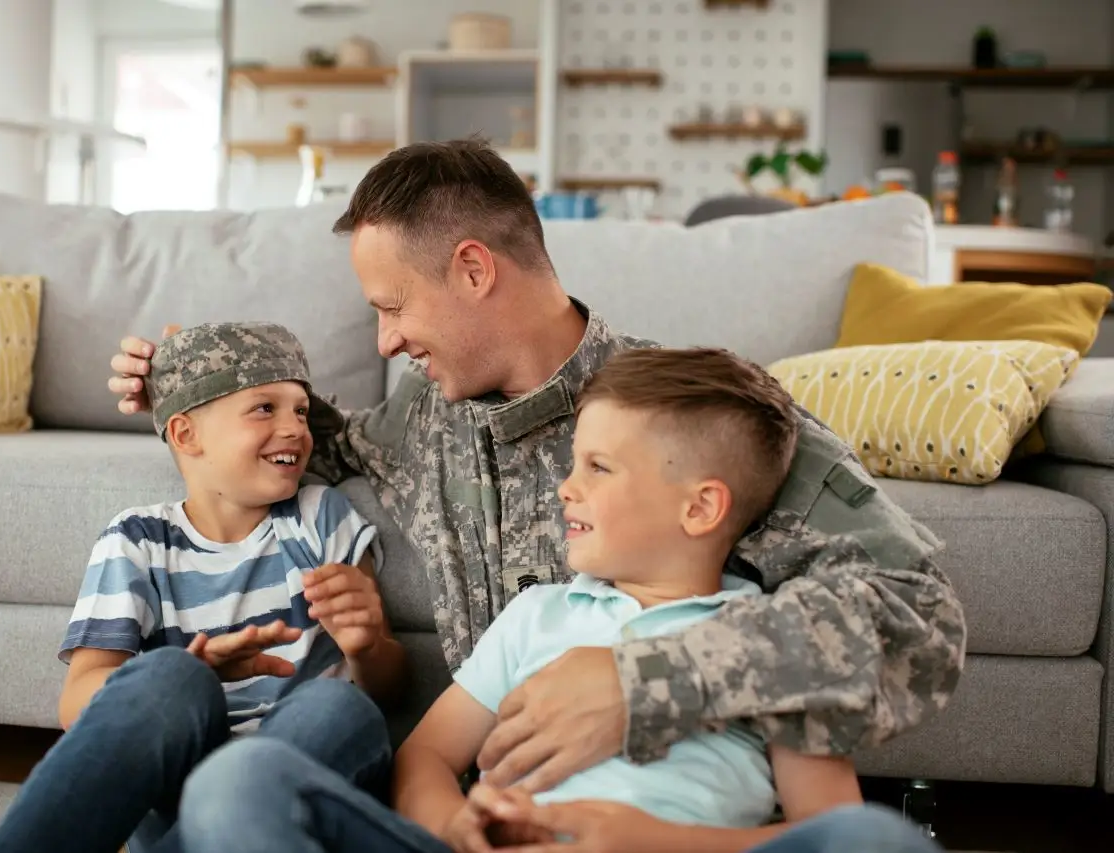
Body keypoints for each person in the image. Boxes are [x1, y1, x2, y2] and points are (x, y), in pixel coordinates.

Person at [108, 139, 967, 844]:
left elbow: (917, 612)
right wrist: (194, 388)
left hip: (672, 826)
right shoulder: (420, 419)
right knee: (243, 789)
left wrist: (646, 678)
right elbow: (321, 445)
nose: (385, 338)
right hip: (483, 820)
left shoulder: (683, 417)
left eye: (394, 306)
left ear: (475, 269)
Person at [167, 347, 943, 853]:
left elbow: (823, 826)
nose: (565, 486)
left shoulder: (765, 638)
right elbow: (429, 756)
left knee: (878, 840)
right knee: (241, 780)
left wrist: (636, 836)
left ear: (701, 508)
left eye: (598, 467)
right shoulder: (542, 613)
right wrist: (454, 828)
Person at [0, 322, 406, 853]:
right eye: (264, 408)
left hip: (300, 768)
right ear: (186, 435)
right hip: (178, 784)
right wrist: (195, 670)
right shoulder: (136, 539)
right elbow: (78, 702)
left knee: (337, 707)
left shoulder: (322, 516)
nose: (296, 429)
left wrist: (366, 647)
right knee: (165, 675)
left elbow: (389, 686)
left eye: (300, 411)